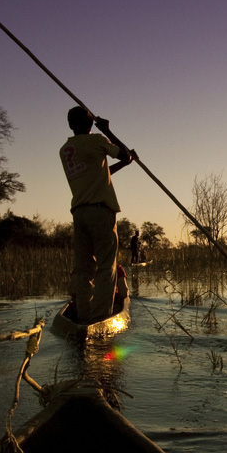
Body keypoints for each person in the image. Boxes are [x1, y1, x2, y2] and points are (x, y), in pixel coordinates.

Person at [59, 106, 134, 323]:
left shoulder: (65, 150)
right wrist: (108, 131)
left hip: (79, 213)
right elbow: (125, 154)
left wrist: (124, 162)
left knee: (84, 269)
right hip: (100, 212)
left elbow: (100, 172)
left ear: (70, 125)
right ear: (92, 124)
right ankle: (101, 316)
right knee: (106, 266)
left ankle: (83, 316)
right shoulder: (97, 140)